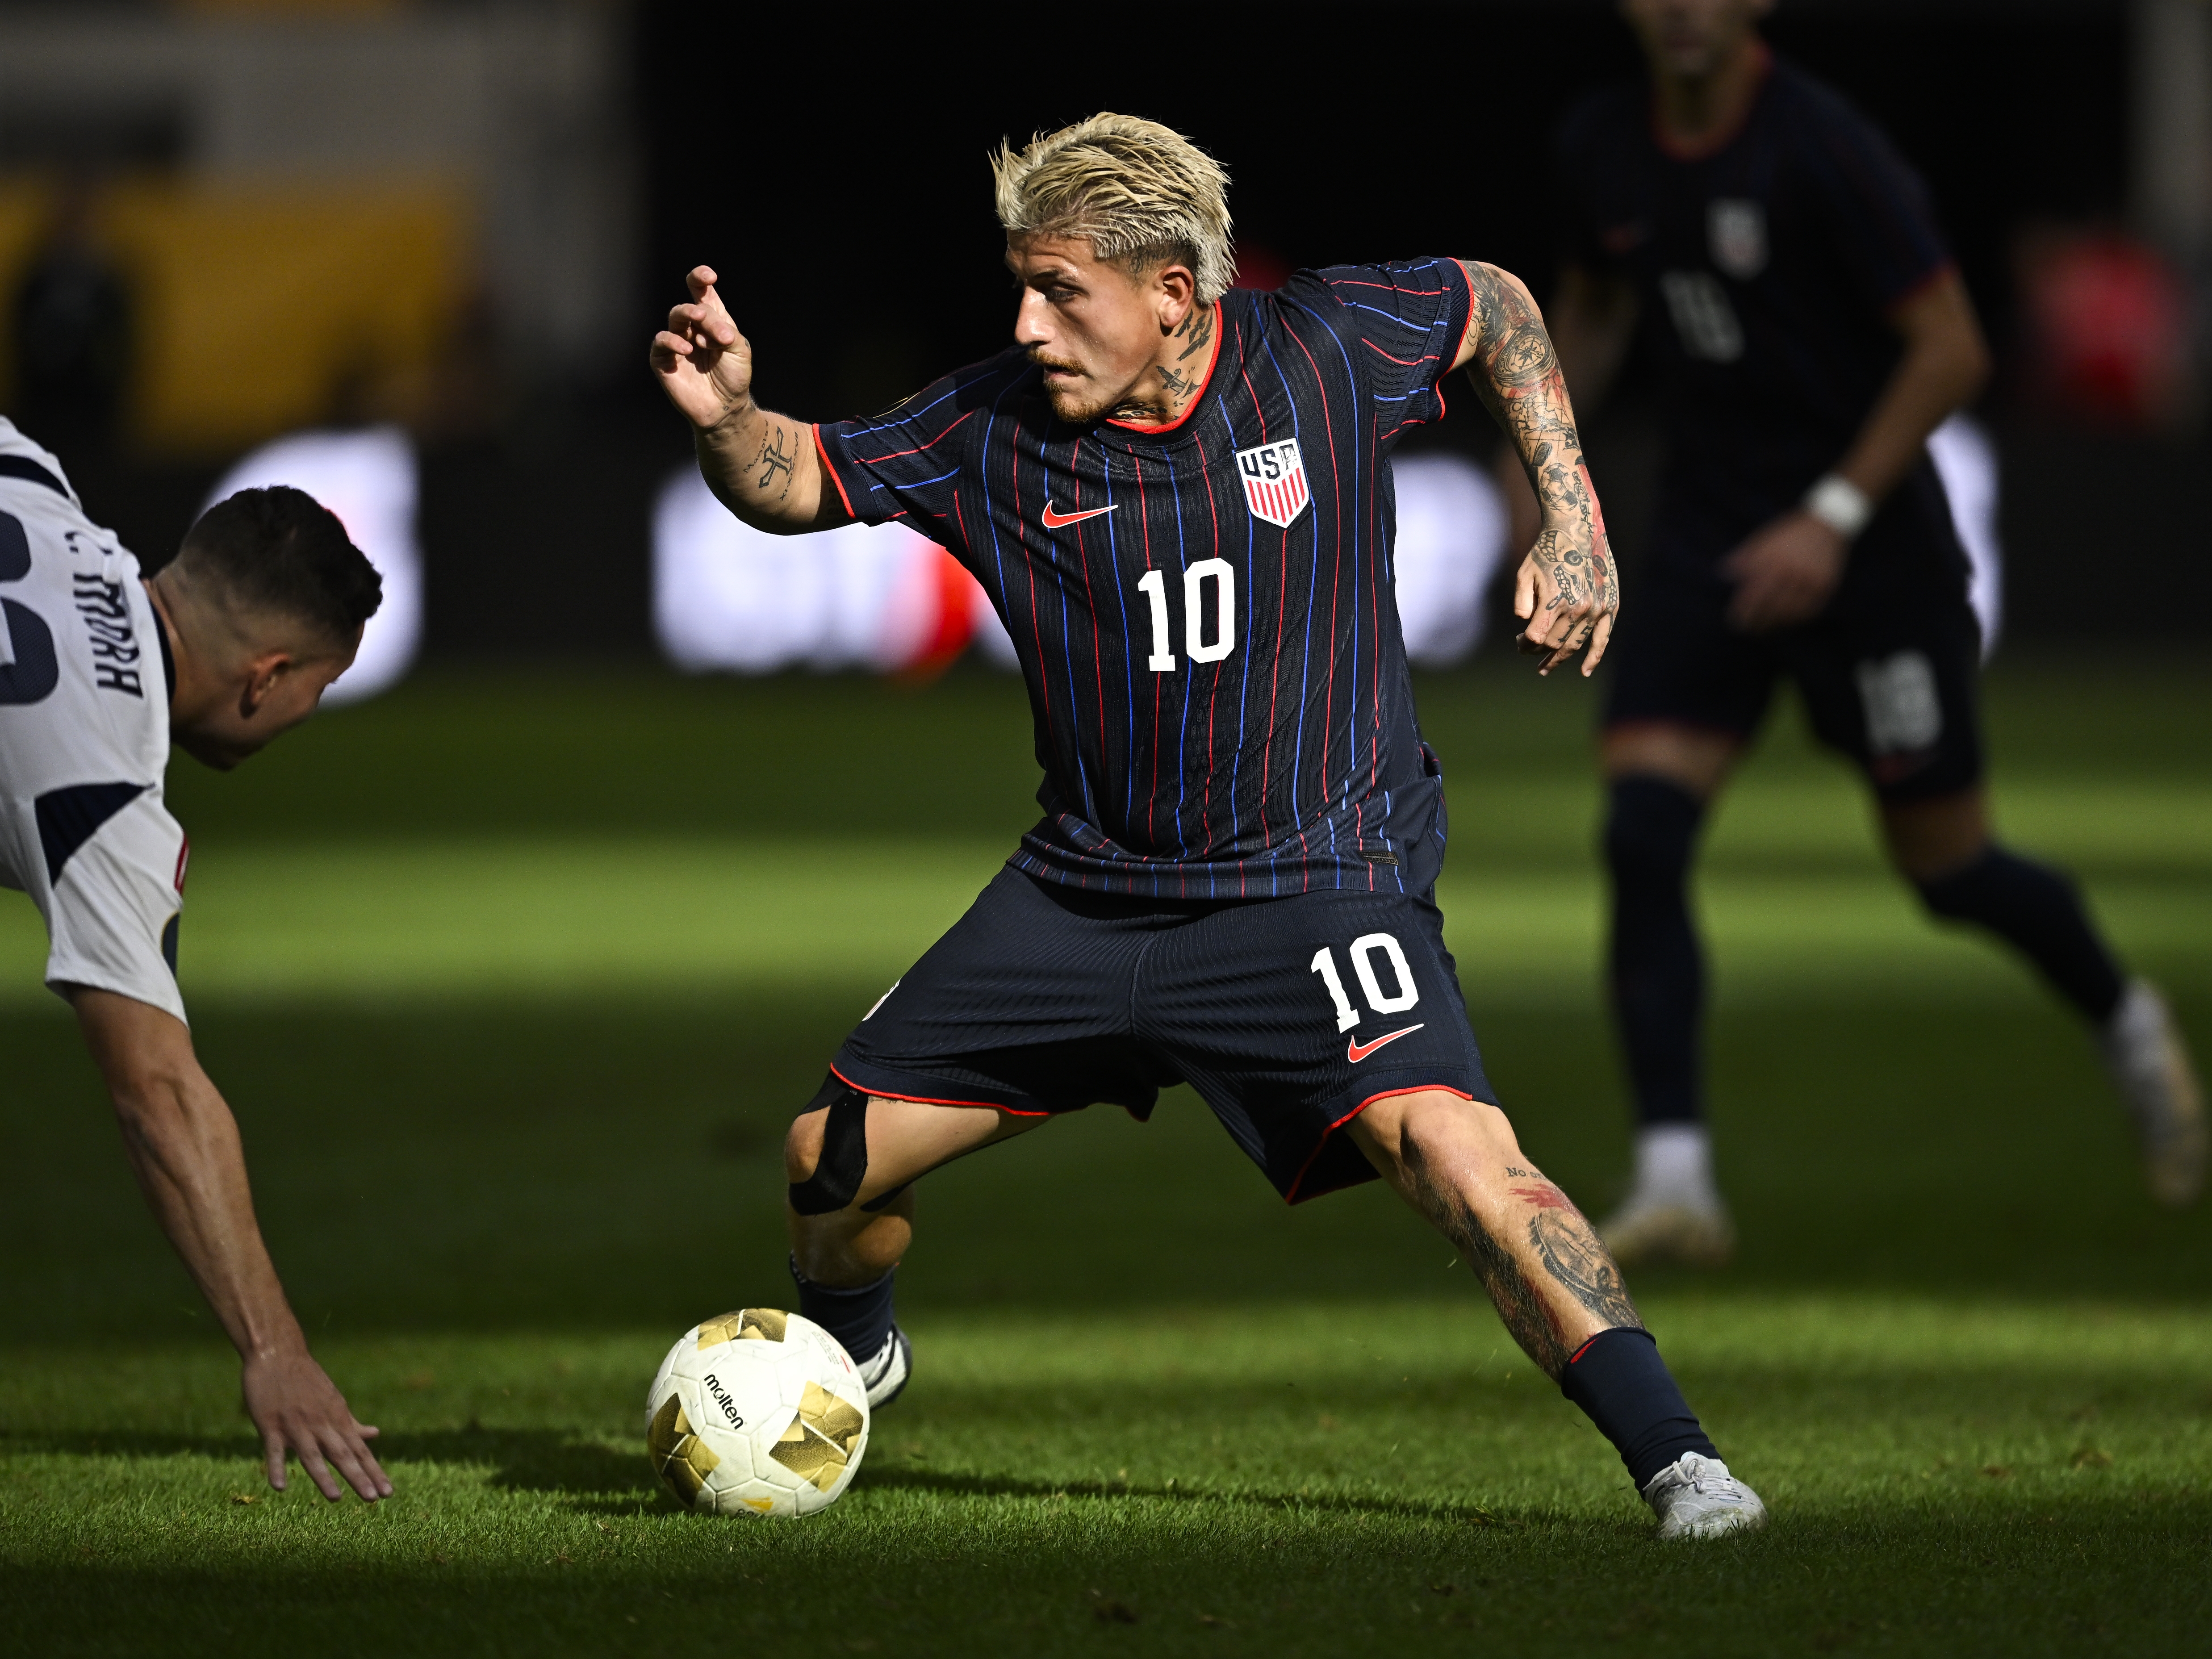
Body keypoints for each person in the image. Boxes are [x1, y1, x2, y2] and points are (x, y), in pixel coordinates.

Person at [652, 113, 1765, 1538]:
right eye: (1022, 284)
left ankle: (1683, 1466)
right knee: (826, 1160)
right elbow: (795, 480)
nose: (1028, 322)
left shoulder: (1323, 348)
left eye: (1062, 290)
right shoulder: (992, 421)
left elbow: (1498, 304)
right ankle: (855, 1353)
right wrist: (733, 417)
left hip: (1313, 882)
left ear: (1174, 292)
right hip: (1084, 894)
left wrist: (1573, 510)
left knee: (1455, 1154)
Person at [1508, 0, 2204, 1266]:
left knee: (1949, 868)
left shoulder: (1824, 147)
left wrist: (1828, 518)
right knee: (1643, 828)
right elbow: (1597, 305)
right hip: (1710, 539)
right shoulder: (1599, 145)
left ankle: (2125, 1016)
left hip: (1869, 554)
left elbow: (1951, 348)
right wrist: (1544, 464)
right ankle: (1677, 1179)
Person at [0, 421, 392, 1502]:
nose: (307, 713)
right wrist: (274, 1346)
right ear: (268, 676)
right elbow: (157, 1091)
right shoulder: (107, 795)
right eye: (320, 686)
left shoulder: (33, 478)